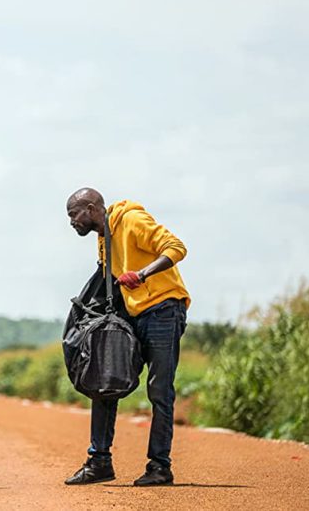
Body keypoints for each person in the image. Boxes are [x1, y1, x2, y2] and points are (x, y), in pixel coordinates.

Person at [64, 187, 190, 487]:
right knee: (104, 378)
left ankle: (159, 466)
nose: (71, 222)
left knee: (159, 390)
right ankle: (99, 462)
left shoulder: (131, 220)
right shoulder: (103, 238)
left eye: (74, 214)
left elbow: (176, 247)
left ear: (91, 208)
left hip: (163, 310)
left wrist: (142, 274)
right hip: (132, 314)